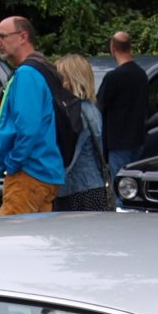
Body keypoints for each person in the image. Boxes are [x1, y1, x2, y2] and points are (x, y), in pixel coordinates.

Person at [0, 16, 63, 215]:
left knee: (11, 239)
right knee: (35, 242)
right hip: (46, 172)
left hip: (28, 174)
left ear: (23, 37)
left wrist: (13, 164)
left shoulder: (27, 74)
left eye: (3, 37)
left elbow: (28, 128)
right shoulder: (44, 69)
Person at [52, 54, 109, 211]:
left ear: (71, 79)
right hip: (92, 186)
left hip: (78, 189)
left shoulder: (78, 113)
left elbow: (68, 157)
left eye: (60, 78)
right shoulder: (91, 108)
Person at [96, 30, 148, 176]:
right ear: (130, 47)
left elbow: (99, 106)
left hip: (118, 143)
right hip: (138, 140)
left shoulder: (114, 77)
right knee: (132, 187)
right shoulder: (141, 74)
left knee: (119, 188)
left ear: (112, 48)